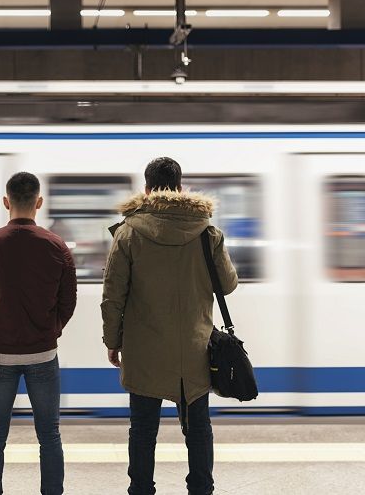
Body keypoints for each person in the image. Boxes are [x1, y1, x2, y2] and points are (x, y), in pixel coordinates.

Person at [101, 157, 238, 495]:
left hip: (145, 350)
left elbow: (112, 296)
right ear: (180, 187)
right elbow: (228, 284)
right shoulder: (207, 232)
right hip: (194, 349)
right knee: (199, 429)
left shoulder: (129, 232)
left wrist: (112, 340)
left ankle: (141, 489)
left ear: (147, 189)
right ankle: (201, 488)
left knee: (143, 430)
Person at [0, 171, 77, 495]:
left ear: (6, 201)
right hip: (44, 354)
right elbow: (67, 301)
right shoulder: (57, 246)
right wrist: (51, 329)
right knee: (50, 434)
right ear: (38, 202)